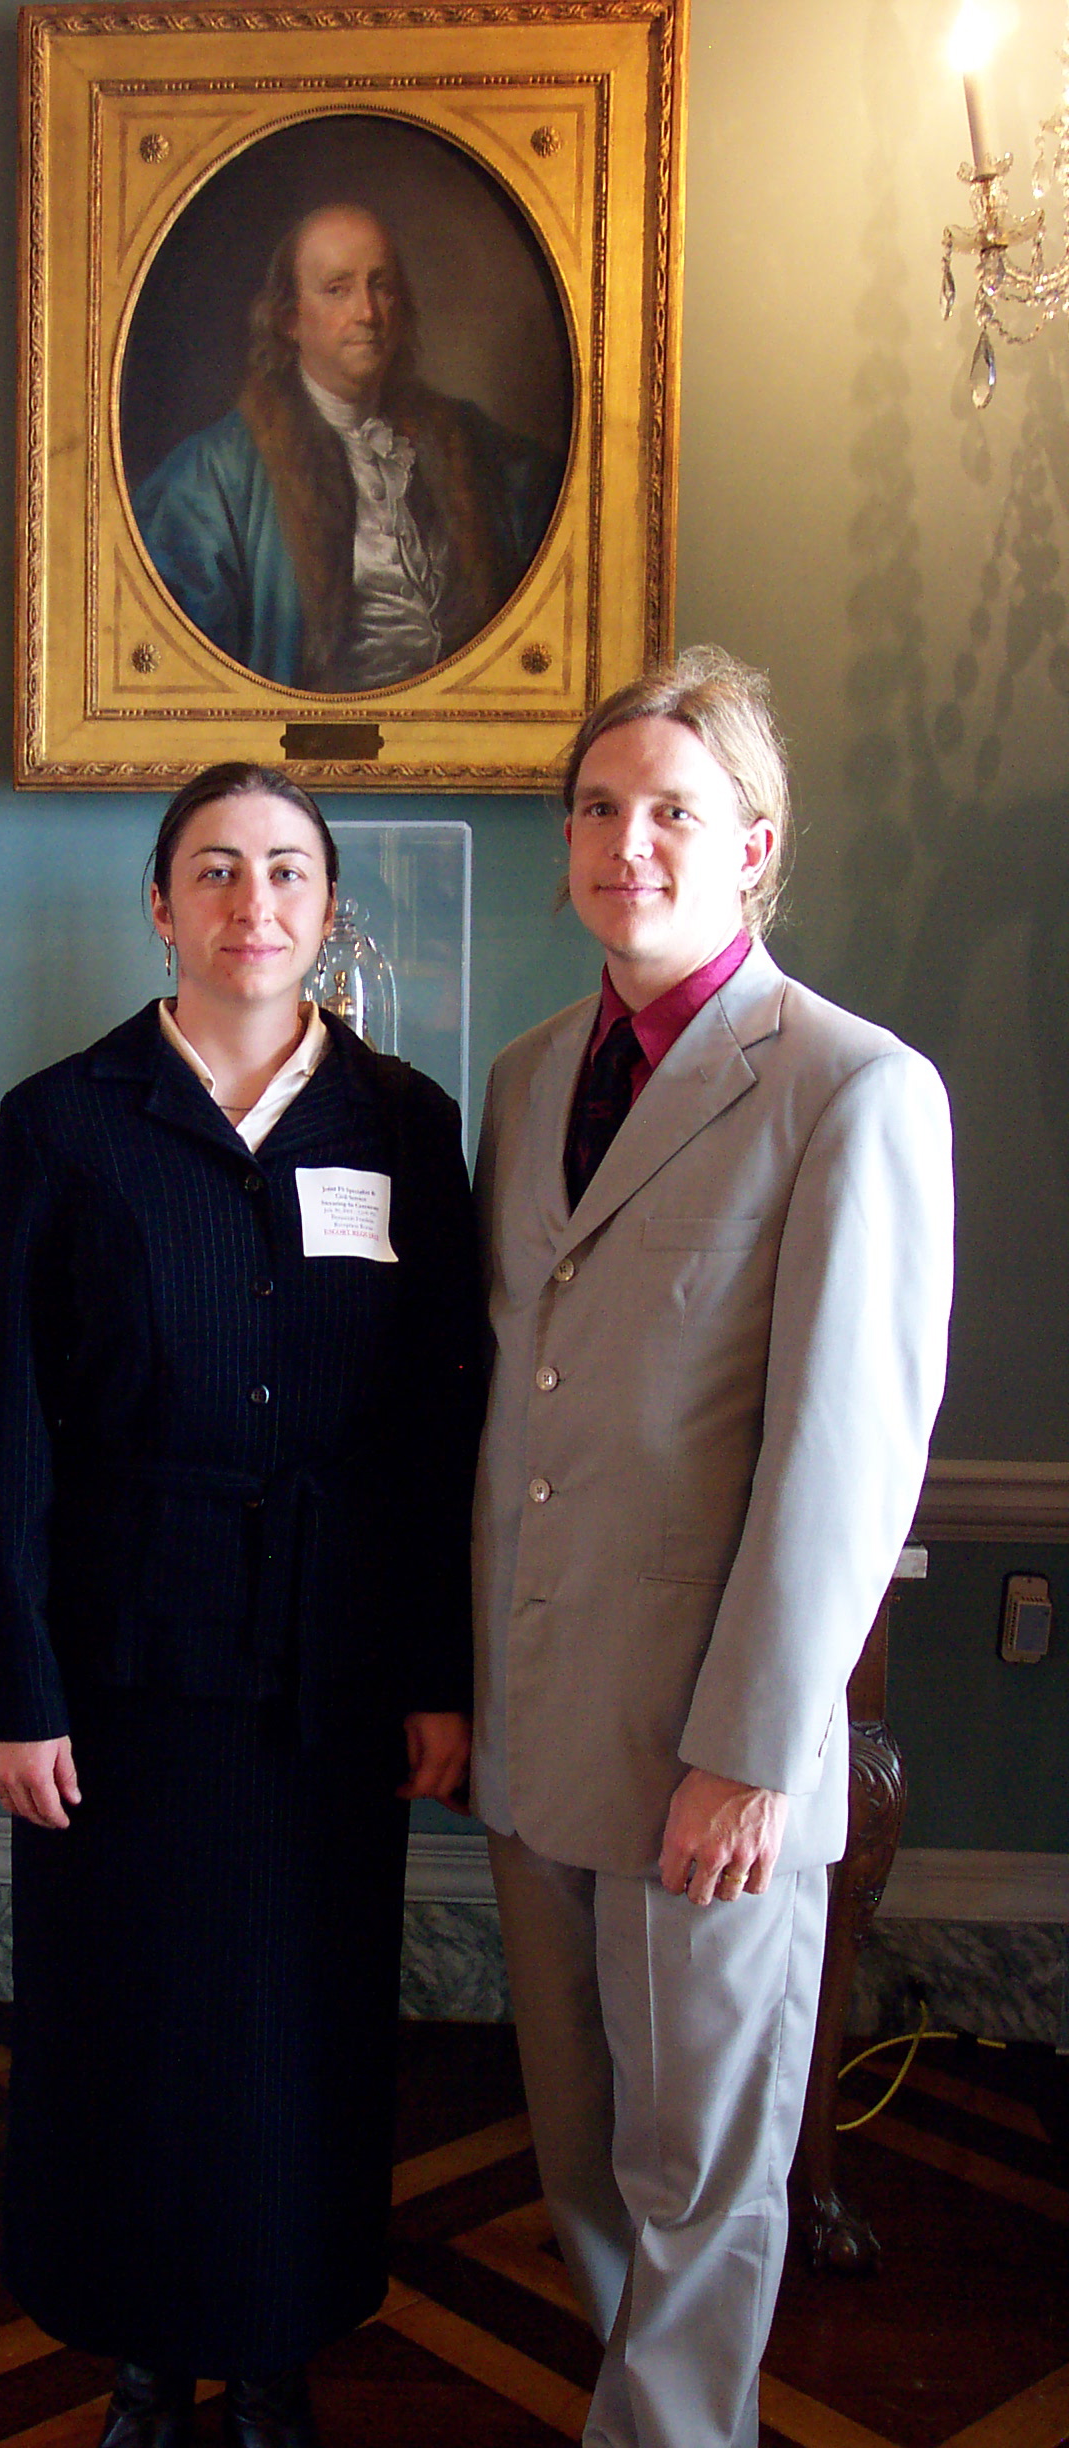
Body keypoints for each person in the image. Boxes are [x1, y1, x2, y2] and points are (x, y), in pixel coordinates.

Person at [0, 762, 484, 2448]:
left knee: (303, 2020)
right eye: (214, 868)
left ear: (326, 910)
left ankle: (272, 2348)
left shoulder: (403, 1124)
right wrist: (11, 1686)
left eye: (285, 871)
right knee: (132, 2017)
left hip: (329, 1665)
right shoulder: (65, 1120)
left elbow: (433, 1422)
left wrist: (433, 1670)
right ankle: (137, 2352)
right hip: (123, 1664)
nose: (253, 900)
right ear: (163, 904)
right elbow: (12, 1424)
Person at [471, 648, 955, 2448]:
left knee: (703, 2175)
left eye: (671, 809)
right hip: (537, 1739)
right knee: (585, 2156)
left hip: (704, 1759)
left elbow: (845, 1457)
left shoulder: (850, 1088)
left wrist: (749, 1754)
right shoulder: (526, 1078)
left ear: (752, 844)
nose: (628, 841)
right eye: (598, 808)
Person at [130, 204, 562, 691]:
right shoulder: (214, 474)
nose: (368, 313)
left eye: (380, 285)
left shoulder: (468, 441)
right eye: (338, 290)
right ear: (291, 319)